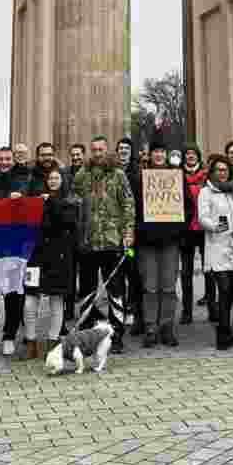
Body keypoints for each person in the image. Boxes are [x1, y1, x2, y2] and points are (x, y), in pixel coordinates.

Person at [72, 136, 135, 354]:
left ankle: (117, 335)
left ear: (107, 150)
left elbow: (128, 204)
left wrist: (128, 233)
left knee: (115, 291)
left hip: (112, 242)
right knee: (87, 290)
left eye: (101, 149)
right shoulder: (81, 176)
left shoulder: (118, 175)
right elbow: (73, 204)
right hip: (88, 244)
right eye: (94, 149)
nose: (97, 153)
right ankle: (88, 334)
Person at [133, 135, 189, 348]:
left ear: (166, 155)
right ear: (151, 155)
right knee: (150, 287)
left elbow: (188, 206)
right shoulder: (141, 178)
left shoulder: (177, 177)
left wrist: (179, 229)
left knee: (168, 287)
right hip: (147, 242)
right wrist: (139, 229)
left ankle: (167, 326)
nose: (158, 155)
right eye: (155, 152)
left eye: (161, 152)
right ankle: (150, 327)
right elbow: (134, 207)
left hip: (170, 241)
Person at [22, 165, 79, 358]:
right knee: (30, 301)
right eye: (50, 178)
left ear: (63, 180)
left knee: (56, 301)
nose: (53, 181)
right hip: (36, 257)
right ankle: (30, 342)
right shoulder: (37, 200)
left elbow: (68, 222)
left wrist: (52, 202)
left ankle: (54, 342)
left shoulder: (69, 201)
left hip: (59, 258)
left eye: (56, 178)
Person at [198, 153, 233, 350]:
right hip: (217, 247)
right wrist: (215, 226)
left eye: (225, 170)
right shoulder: (206, 192)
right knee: (223, 289)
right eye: (218, 170)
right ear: (212, 172)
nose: (222, 173)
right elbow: (202, 217)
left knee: (229, 292)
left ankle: (227, 332)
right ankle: (222, 335)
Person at [0, 145, 28, 354]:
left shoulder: (22, 180)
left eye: (8, 159)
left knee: (13, 290)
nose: (4, 162)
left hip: (15, 243)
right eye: (1, 159)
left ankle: (9, 334)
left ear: (13, 160)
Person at [117, 138, 144, 334]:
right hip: (114, 232)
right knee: (118, 272)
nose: (123, 151)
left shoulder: (138, 171)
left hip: (132, 232)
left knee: (132, 271)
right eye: (120, 148)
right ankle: (121, 308)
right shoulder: (112, 170)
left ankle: (133, 308)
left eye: (127, 148)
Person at [179, 146, 207, 325]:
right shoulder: (177, 175)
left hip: (204, 227)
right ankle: (187, 311)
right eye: (187, 154)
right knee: (186, 272)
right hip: (186, 229)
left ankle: (213, 307)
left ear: (198, 156)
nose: (190, 157)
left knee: (209, 270)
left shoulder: (206, 175)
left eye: (193, 154)